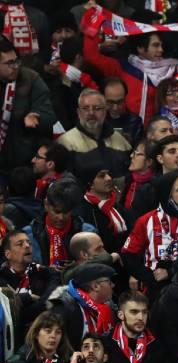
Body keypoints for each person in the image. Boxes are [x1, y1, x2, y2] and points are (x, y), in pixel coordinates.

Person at [121, 172, 178, 298]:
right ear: (167, 195)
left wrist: (170, 272)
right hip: (158, 291)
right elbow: (128, 255)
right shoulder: (146, 221)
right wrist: (150, 278)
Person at [0, 35, 56, 173]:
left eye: (17, 61)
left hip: (25, 163)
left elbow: (49, 115)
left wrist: (37, 117)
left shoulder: (31, 79)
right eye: (9, 63)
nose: (15, 66)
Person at [57, 88, 132, 185]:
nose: (91, 113)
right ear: (78, 112)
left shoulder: (121, 142)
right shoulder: (65, 142)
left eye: (97, 108)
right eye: (85, 108)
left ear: (105, 111)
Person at [23, 175, 96, 268]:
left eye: (66, 212)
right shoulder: (28, 235)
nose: (61, 218)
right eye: (57, 211)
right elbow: (20, 268)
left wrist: (78, 266)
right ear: (46, 205)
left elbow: (97, 265)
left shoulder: (87, 232)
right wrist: (45, 270)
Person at [0, 230, 58, 340]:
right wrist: (28, 298)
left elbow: (48, 304)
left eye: (29, 243)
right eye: (20, 244)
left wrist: (22, 304)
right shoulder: (1, 278)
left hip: (42, 336)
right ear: (8, 254)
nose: (27, 246)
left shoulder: (47, 273)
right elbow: (6, 312)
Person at [48, 262, 116, 348]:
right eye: (109, 282)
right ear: (96, 286)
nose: (113, 285)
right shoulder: (64, 308)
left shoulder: (108, 307)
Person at [76, 164, 131, 254]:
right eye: (102, 176)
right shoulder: (82, 210)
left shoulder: (117, 207)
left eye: (108, 174)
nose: (109, 178)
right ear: (90, 184)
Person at [103, 77, 144, 144]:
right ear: (103, 98)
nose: (115, 108)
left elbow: (139, 150)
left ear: (125, 98)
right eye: (110, 102)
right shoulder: (97, 120)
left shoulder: (135, 122)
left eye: (120, 102)